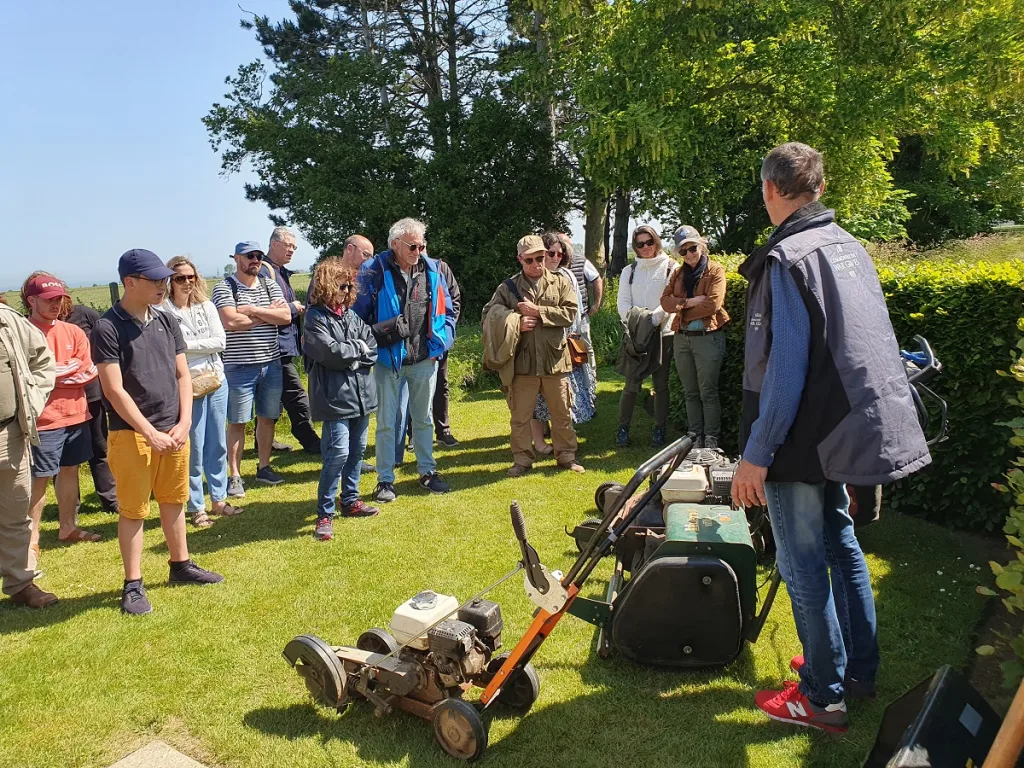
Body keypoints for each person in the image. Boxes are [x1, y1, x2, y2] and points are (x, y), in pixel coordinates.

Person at [731, 142, 931, 732]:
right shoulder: (849, 248)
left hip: (801, 437)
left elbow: (786, 368)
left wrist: (756, 455)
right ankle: (854, 671)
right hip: (839, 430)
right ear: (818, 186)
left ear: (771, 189)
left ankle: (822, 696)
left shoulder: (788, 257)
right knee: (841, 543)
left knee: (803, 563)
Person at [92, 249, 223, 615]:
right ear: (130, 282)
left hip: (173, 429)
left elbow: (184, 374)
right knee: (134, 511)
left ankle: (180, 565)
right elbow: (113, 389)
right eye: (156, 280)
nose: (164, 285)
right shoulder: (107, 327)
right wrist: (149, 431)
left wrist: (182, 422)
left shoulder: (166, 322)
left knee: (174, 500)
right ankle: (132, 584)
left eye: (166, 278)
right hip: (132, 434)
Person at [352, 218, 456, 503]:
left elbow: (447, 310)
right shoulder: (373, 270)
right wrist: (370, 345)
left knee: (423, 419)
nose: (418, 251)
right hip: (387, 359)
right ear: (394, 244)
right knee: (387, 422)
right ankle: (385, 481)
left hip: (424, 358)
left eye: (422, 245)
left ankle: (427, 472)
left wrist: (442, 343)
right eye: (412, 245)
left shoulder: (432, 269)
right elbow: (357, 315)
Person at [481, 235, 584, 477]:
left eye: (541, 257)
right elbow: (489, 315)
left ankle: (567, 457)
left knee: (562, 414)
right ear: (520, 259)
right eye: (530, 260)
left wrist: (539, 312)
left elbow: (570, 313)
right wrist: (516, 322)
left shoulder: (560, 283)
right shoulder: (507, 287)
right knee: (520, 417)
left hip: (554, 361)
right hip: (522, 364)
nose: (537, 264)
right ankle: (522, 460)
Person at [160, 256, 242, 528]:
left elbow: (221, 341)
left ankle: (218, 499)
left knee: (217, 442)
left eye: (190, 277)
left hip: (216, 380)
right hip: (187, 384)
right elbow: (171, 347)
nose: (186, 282)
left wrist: (187, 345)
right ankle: (196, 506)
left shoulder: (206, 305)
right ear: (170, 281)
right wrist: (194, 346)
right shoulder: (163, 310)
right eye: (179, 277)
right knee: (193, 446)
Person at [21, 274, 100, 555]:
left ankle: (68, 527)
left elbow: (89, 372)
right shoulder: (23, 333)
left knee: (70, 471)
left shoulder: (74, 331)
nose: (57, 304)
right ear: (31, 300)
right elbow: (27, 377)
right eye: (50, 299)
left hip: (77, 416)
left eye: (60, 299)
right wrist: (66, 370)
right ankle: (30, 540)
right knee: (39, 478)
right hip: (43, 421)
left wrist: (53, 373)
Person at [304, 258, 380, 540]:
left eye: (349, 285)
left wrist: (353, 352)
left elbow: (371, 346)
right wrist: (355, 352)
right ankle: (325, 513)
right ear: (326, 285)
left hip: (361, 396)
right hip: (334, 398)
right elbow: (329, 353)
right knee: (337, 454)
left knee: (357, 452)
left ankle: (350, 500)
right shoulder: (315, 317)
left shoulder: (350, 315)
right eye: (341, 285)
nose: (347, 290)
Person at [212, 241, 292, 496]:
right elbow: (230, 321)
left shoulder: (270, 283)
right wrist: (268, 314)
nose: (255, 260)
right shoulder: (225, 287)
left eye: (258, 256)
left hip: (271, 363)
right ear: (236, 258)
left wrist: (254, 311)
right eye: (250, 256)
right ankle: (234, 475)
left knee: (268, 418)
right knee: (237, 421)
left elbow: (287, 317)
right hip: (239, 366)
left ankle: (264, 467)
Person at [0, 296, 56, 607]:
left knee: (15, 514)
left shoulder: (6, 319)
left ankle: (21, 584)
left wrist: (32, 403)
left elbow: (42, 359)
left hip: (8, 433)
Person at [660, 225, 729, 450]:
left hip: (708, 337)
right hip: (682, 338)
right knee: (690, 391)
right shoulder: (678, 274)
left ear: (701, 245)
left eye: (692, 248)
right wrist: (689, 302)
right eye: (684, 251)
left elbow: (713, 305)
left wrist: (680, 308)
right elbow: (664, 302)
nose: (689, 254)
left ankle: (711, 438)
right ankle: (694, 436)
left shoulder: (715, 271)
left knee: (708, 391)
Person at [529, 233, 596, 455]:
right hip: (538, 346)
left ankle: (565, 441)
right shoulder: (532, 279)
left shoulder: (567, 275)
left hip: (565, 343)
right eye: (551, 253)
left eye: (560, 253)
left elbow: (573, 311)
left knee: (567, 395)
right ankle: (539, 442)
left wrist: (575, 334)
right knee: (537, 397)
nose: (556, 257)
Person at [259, 226, 322, 455]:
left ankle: (262, 440)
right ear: (274, 244)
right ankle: (310, 440)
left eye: (294, 247)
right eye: (288, 245)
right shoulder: (265, 272)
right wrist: (292, 308)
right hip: (274, 345)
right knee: (296, 395)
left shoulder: (278, 271)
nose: (292, 250)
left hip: (284, 344)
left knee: (273, 395)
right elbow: (262, 309)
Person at [616, 226, 676, 447]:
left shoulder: (671, 267)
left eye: (649, 242)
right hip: (636, 335)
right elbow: (622, 304)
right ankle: (623, 429)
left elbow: (672, 300)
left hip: (663, 333)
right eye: (640, 244)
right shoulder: (628, 271)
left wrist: (653, 320)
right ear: (635, 247)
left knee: (660, 385)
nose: (645, 248)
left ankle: (659, 430)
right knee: (631, 384)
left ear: (656, 241)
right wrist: (639, 323)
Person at [63, 300, 118, 513]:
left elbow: (105, 344)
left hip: (92, 393)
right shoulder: (38, 324)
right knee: (66, 454)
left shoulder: (85, 315)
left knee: (100, 446)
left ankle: (110, 499)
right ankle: (69, 505)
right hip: (60, 400)